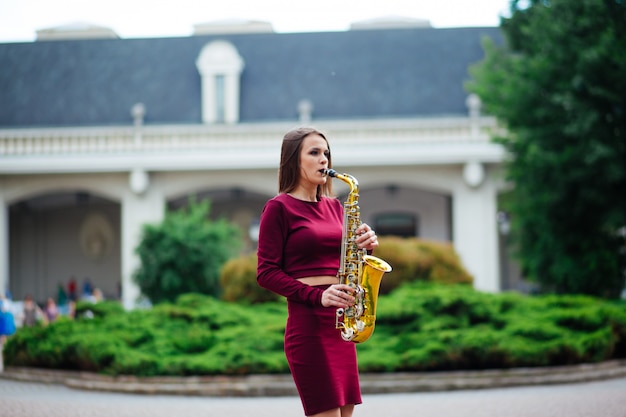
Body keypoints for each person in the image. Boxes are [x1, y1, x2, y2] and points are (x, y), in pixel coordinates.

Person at [256, 127, 379, 417]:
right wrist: (317, 297)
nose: (323, 159)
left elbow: (349, 265)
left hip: (342, 327)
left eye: (326, 153)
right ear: (293, 161)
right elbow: (266, 272)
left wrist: (366, 249)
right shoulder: (278, 208)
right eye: (314, 153)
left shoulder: (336, 207)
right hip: (308, 327)